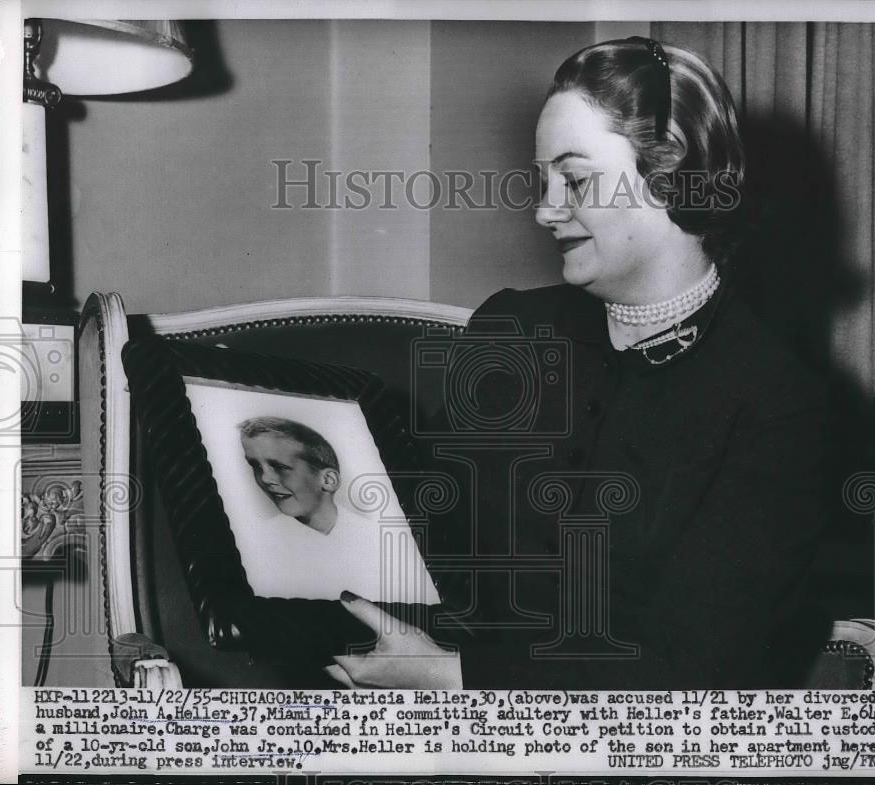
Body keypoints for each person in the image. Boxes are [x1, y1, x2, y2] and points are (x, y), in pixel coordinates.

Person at [332, 37, 830, 690]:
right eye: (542, 179)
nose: (544, 209)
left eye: (576, 178)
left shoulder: (777, 406)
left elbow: (690, 677)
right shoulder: (508, 330)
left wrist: (451, 679)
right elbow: (423, 554)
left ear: (673, 173)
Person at [239, 416, 341, 535]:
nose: (264, 478)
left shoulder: (366, 530)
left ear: (328, 480)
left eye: (279, 467)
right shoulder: (260, 536)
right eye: (256, 466)